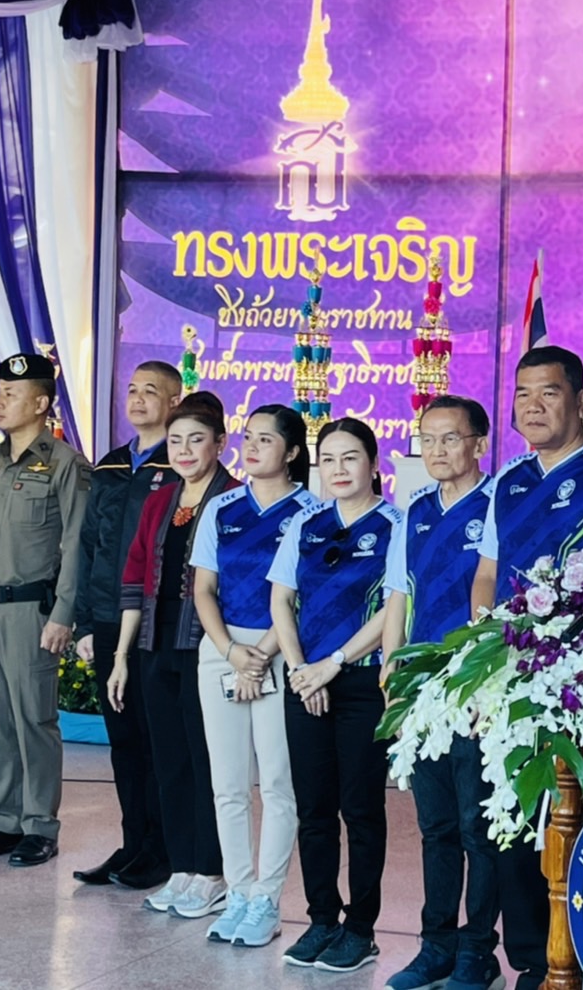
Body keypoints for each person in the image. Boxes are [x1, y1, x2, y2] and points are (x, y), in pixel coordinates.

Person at [470, 344, 583, 990]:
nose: (533, 406)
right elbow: (486, 572)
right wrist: (488, 648)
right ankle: (532, 962)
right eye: (523, 393)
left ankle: (575, 960)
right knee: (512, 825)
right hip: (508, 677)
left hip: (573, 685)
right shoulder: (509, 479)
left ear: (579, 400)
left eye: (549, 392)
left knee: (566, 823)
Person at [0, 352, 91, 867]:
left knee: (33, 719)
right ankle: (5, 820)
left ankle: (40, 826)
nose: (0, 400)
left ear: (42, 403)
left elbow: (77, 545)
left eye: (12, 393)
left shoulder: (66, 465)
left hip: (31, 610)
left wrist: (64, 614)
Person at [269, 417, 402, 975]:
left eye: (350, 457)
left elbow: (393, 608)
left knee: (361, 809)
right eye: (328, 459)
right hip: (306, 680)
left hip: (362, 682)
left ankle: (361, 929)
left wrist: (333, 664)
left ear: (374, 464)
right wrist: (302, 671)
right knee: (314, 809)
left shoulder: (395, 524)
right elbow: (281, 601)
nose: (338, 469)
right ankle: (321, 918)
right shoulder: (306, 524)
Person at [378, 395, 502, 990]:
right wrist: (392, 675)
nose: (437, 450)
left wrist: (486, 679)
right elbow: (398, 596)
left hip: (475, 684)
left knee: (478, 826)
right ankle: (436, 946)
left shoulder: (498, 503)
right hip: (423, 687)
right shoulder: (416, 511)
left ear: (480, 443)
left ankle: (479, 952)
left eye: (450, 438)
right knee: (436, 828)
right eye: (427, 439)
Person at [189, 404, 318, 949]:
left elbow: (302, 595)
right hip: (223, 650)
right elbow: (203, 589)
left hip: (280, 651)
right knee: (228, 783)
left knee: (278, 783)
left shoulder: (312, 511)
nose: (252, 447)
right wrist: (230, 651)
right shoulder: (221, 508)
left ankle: (267, 898)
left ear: (292, 452)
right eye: (248, 437)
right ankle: (239, 892)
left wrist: (260, 655)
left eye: (266, 439)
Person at [108, 391, 235, 919]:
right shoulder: (160, 500)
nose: (183, 451)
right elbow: (135, 575)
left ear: (219, 444)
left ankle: (213, 871)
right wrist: (122, 655)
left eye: (195, 440)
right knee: (169, 760)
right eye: (176, 440)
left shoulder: (234, 500)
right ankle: (182, 867)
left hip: (208, 645)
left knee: (207, 760)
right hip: (155, 643)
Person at [72, 362, 181, 889]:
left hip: (154, 624)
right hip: (108, 619)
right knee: (123, 741)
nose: (137, 399)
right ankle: (132, 843)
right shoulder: (111, 466)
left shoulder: (179, 466)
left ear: (174, 402)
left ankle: (162, 849)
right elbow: (89, 546)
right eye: (132, 390)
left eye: (150, 391)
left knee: (156, 738)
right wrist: (85, 623)